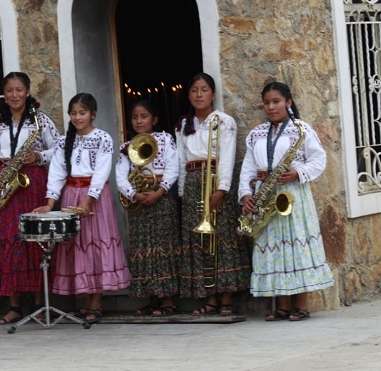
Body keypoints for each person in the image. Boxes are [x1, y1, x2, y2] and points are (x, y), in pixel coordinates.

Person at [239, 81, 334, 321]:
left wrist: (298, 173)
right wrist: (246, 194)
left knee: (295, 245)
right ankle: (281, 305)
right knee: (273, 248)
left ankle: (300, 305)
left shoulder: (301, 129)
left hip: (293, 193)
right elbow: (248, 167)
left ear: (288, 103)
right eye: (267, 103)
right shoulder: (257, 133)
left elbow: (319, 159)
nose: (271, 107)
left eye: (276, 102)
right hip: (265, 194)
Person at [34, 93, 131, 324]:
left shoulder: (103, 138)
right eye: (74, 113)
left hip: (94, 196)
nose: (77, 117)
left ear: (93, 114)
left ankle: (95, 301)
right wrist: (50, 202)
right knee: (77, 246)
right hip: (71, 195)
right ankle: (83, 301)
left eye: (82, 112)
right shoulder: (63, 141)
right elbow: (57, 172)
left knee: (95, 244)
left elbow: (101, 171)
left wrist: (88, 199)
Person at [0, 72, 60, 325]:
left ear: (27, 91)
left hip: (31, 183)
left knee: (33, 240)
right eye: (9, 90)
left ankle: (40, 304)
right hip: (5, 181)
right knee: (8, 242)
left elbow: (59, 149)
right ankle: (14, 306)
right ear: (4, 94)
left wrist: (39, 157)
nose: (15, 95)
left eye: (19, 90)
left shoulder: (41, 120)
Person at [175, 73, 251, 315]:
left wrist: (222, 189)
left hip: (216, 181)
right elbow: (180, 160)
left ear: (213, 94)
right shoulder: (183, 125)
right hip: (193, 183)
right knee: (199, 241)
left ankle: (226, 297)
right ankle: (207, 298)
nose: (199, 94)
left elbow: (228, 156)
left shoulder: (224, 121)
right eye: (194, 90)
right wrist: (181, 192)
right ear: (188, 94)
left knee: (221, 238)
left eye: (204, 89)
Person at [116, 100, 180, 316]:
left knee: (163, 248)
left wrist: (160, 191)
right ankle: (152, 299)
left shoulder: (165, 139)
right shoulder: (126, 146)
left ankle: (168, 300)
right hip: (139, 200)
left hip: (161, 198)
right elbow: (120, 176)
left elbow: (173, 167)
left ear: (154, 119)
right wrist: (134, 194)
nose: (139, 121)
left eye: (144, 116)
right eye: (135, 117)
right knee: (144, 250)